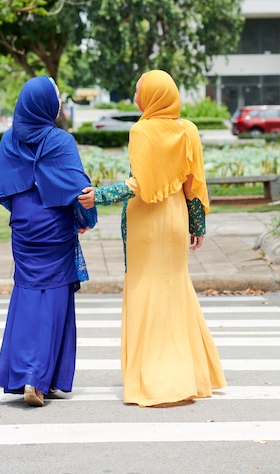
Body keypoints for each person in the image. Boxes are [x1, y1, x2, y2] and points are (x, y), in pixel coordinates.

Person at [79, 69, 226, 407]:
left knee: (146, 288)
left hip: (146, 223)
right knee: (174, 287)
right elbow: (194, 183)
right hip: (175, 219)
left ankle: (158, 377)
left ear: (152, 96)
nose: (135, 95)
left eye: (138, 90)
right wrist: (197, 226)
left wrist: (97, 196)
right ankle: (192, 374)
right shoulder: (187, 129)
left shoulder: (142, 130)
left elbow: (140, 186)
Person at [0, 75, 97, 407]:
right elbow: (78, 188)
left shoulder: (10, 140)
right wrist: (84, 219)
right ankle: (36, 379)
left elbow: (5, 186)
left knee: (27, 293)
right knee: (54, 296)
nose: (61, 103)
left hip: (24, 226)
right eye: (58, 98)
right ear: (46, 105)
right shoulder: (60, 141)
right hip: (53, 224)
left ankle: (33, 375)